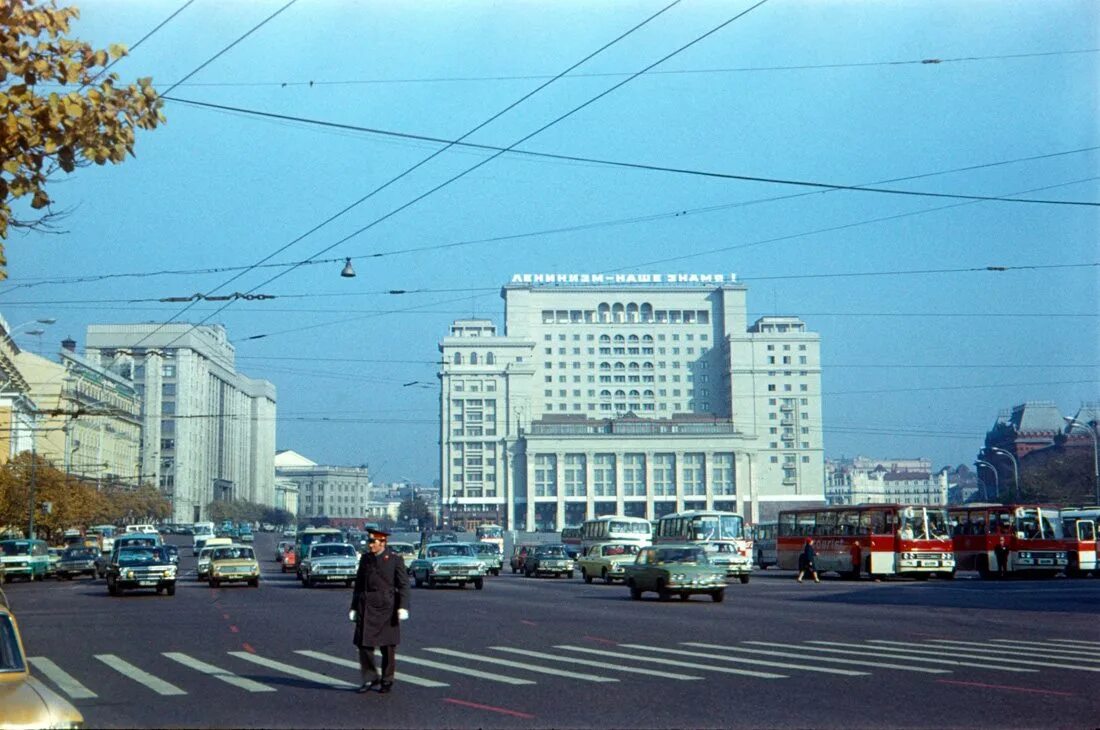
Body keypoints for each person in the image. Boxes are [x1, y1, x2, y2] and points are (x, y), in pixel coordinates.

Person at [349, 529, 410, 694]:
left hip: (386, 607)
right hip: (366, 606)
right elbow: (359, 585)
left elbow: (403, 584)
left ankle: (387, 680)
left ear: (382, 542)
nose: (370, 545)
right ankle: (370, 678)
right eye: (369, 542)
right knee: (363, 645)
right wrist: (353, 607)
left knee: (388, 647)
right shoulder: (365, 559)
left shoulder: (395, 559)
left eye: (373, 542)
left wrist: (403, 606)